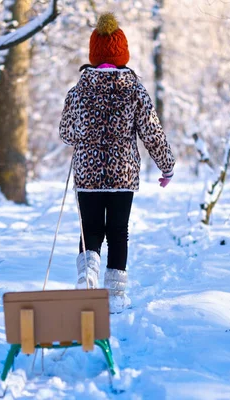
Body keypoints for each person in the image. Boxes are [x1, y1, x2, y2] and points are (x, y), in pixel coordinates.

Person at [59, 13, 175, 313]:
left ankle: (87, 275)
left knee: (91, 227)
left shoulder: (79, 90)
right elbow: (151, 131)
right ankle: (115, 297)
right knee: (118, 231)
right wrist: (166, 166)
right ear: (123, 55)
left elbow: (66, 133)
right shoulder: (134, 89)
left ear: (93, 54)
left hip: (87, 172)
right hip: (123, 173)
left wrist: (86, 134)